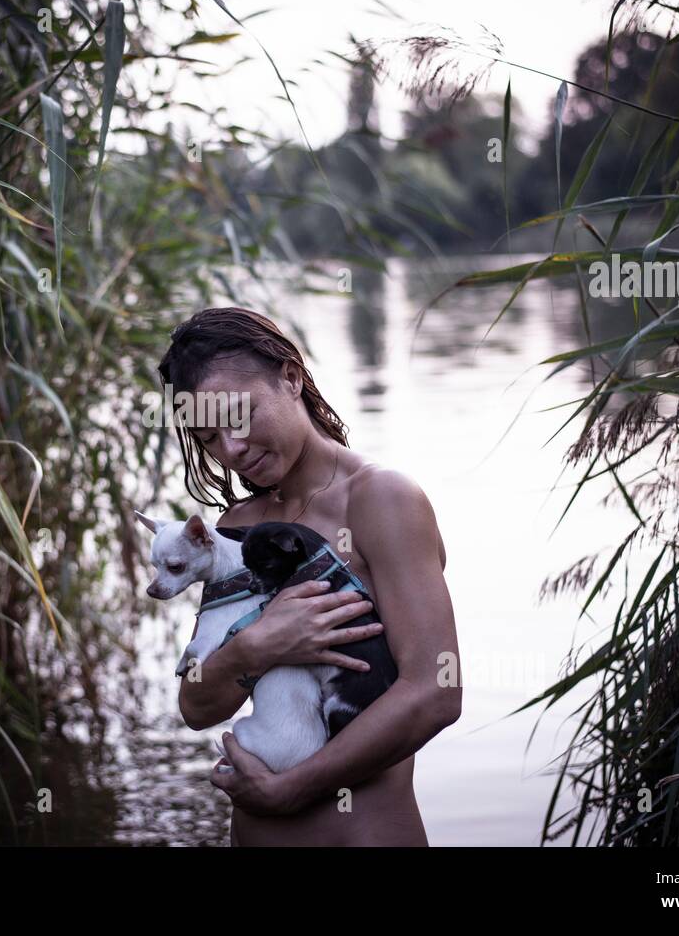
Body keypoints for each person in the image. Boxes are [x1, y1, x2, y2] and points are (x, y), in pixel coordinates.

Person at [158, 306, 460, 846]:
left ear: (291, 377)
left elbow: (436, 689)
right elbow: (198, 707)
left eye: (238, 416)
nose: (231, 450)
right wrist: (254, 648)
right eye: (207, 439)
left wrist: (292, 788)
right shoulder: (236, 532)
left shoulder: (381, 500)